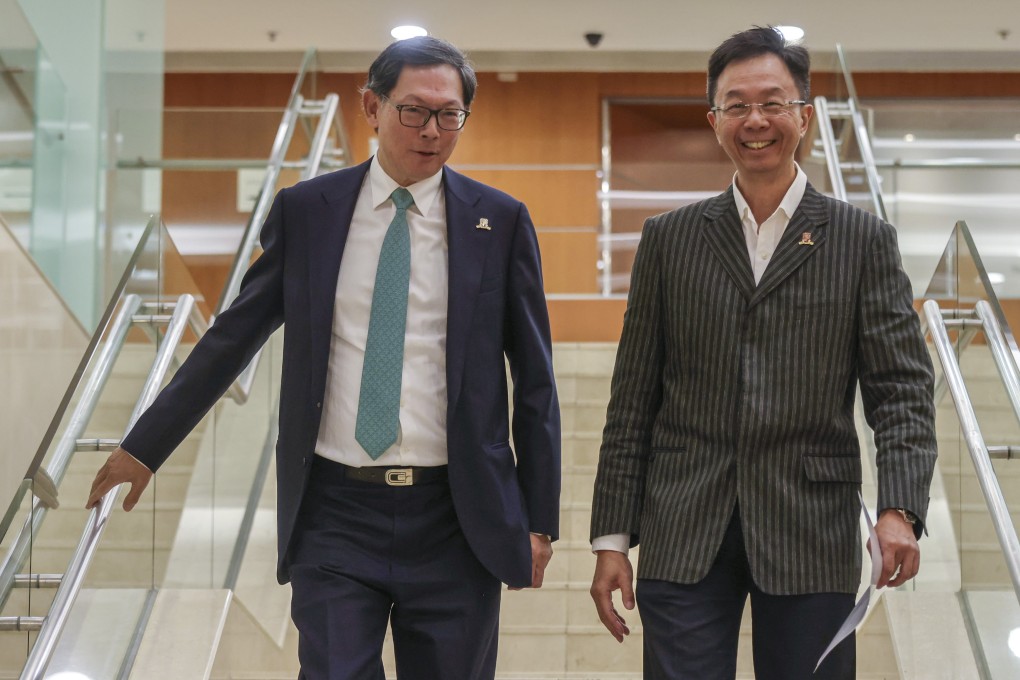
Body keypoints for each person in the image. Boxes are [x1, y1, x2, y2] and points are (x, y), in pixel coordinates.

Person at [87, 36, 561, 680]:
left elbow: (535, 381)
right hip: (336, 512)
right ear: (372, 106)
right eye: (414, 110)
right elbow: (234, 336)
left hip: (458, 517)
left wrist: (538, 520)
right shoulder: (309, 211)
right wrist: (146, 446)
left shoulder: (499, 221)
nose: (431, 130)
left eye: (449, 115)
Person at [588, 26, 936, 680]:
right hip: (684, 525)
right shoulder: (669, 240)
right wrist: (611, 538)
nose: (755, 120)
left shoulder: (862, 240)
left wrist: (900, 509)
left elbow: (901, 391)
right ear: (714, 121)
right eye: (737, 105)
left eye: (773, 103)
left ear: (804, 116)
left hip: (812, 529)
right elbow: (632, 398)